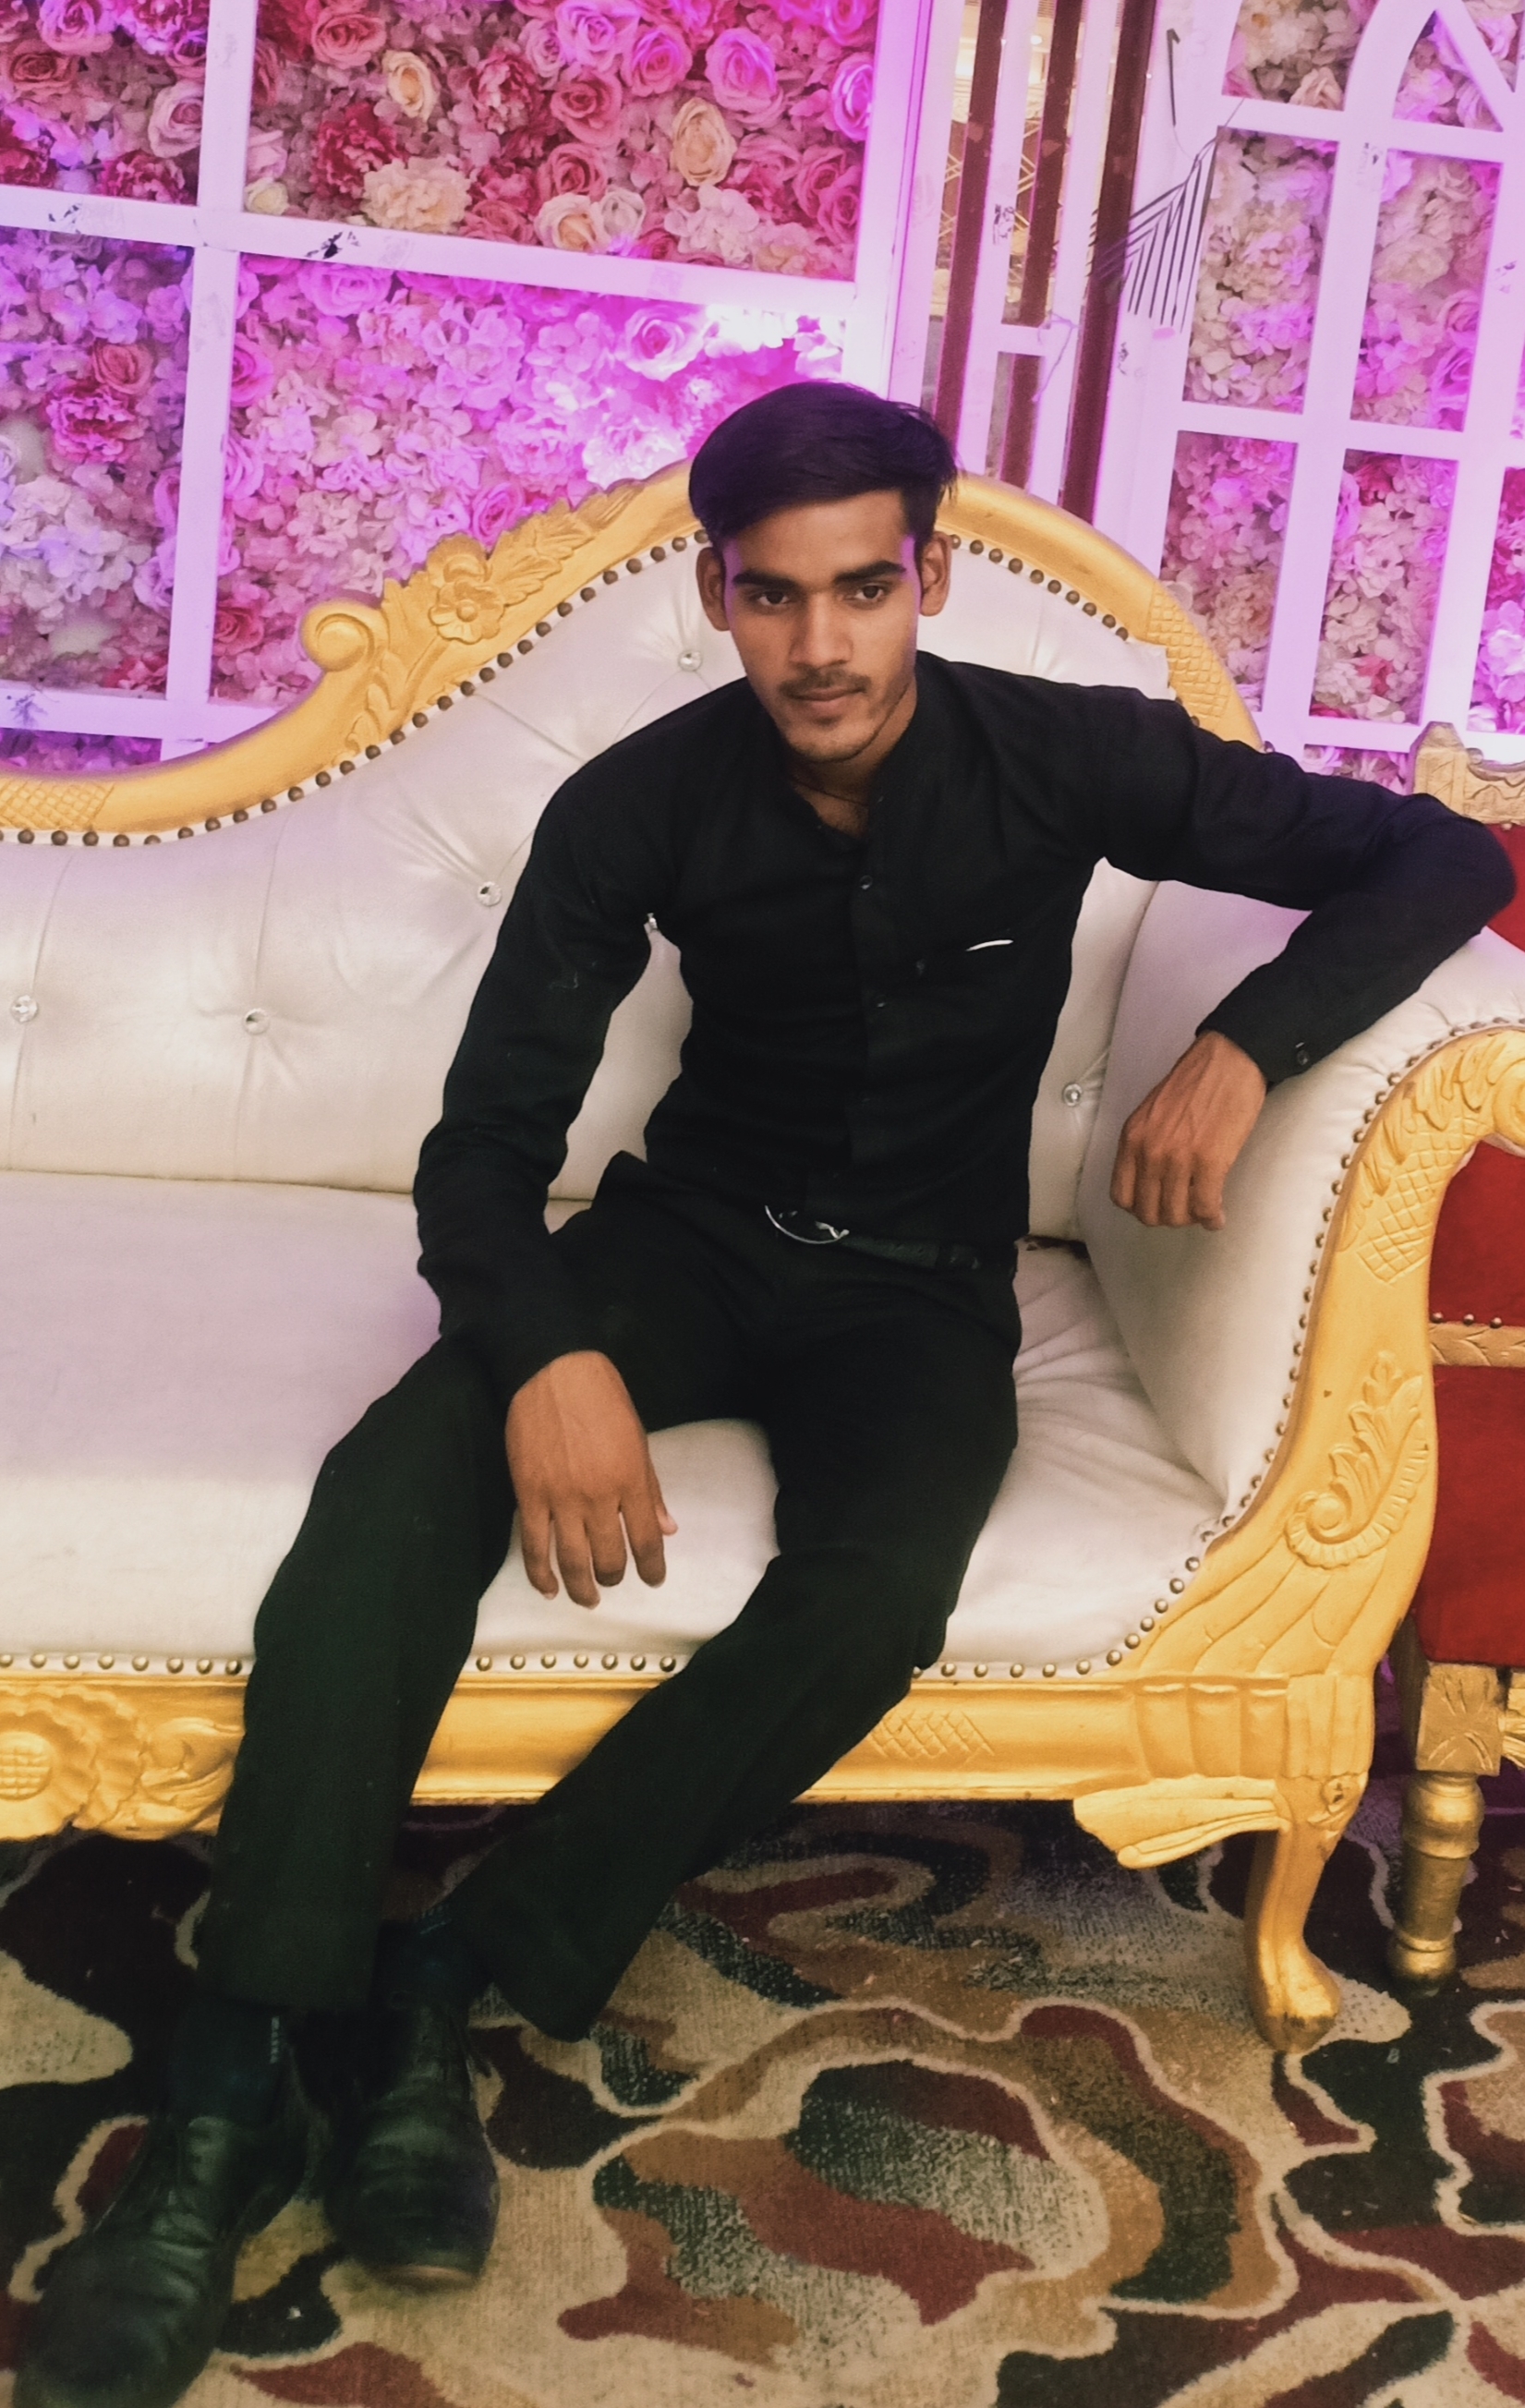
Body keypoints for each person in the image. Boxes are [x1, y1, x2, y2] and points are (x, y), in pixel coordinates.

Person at [18, 383, 1511, 2408]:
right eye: (775, 595)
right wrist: (550, 1354)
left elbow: (1434, 853)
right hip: (691, 1238)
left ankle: (453, 1972)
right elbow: (483, 1148)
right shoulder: (637, 801)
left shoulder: (1070, 750)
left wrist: (1248, 1043)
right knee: (394, 1483)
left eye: (862, 589)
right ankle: (234, 2073)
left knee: (880, 1584)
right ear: (719, 594)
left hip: (918, 1293)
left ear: (928, 580)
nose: (821, 644)